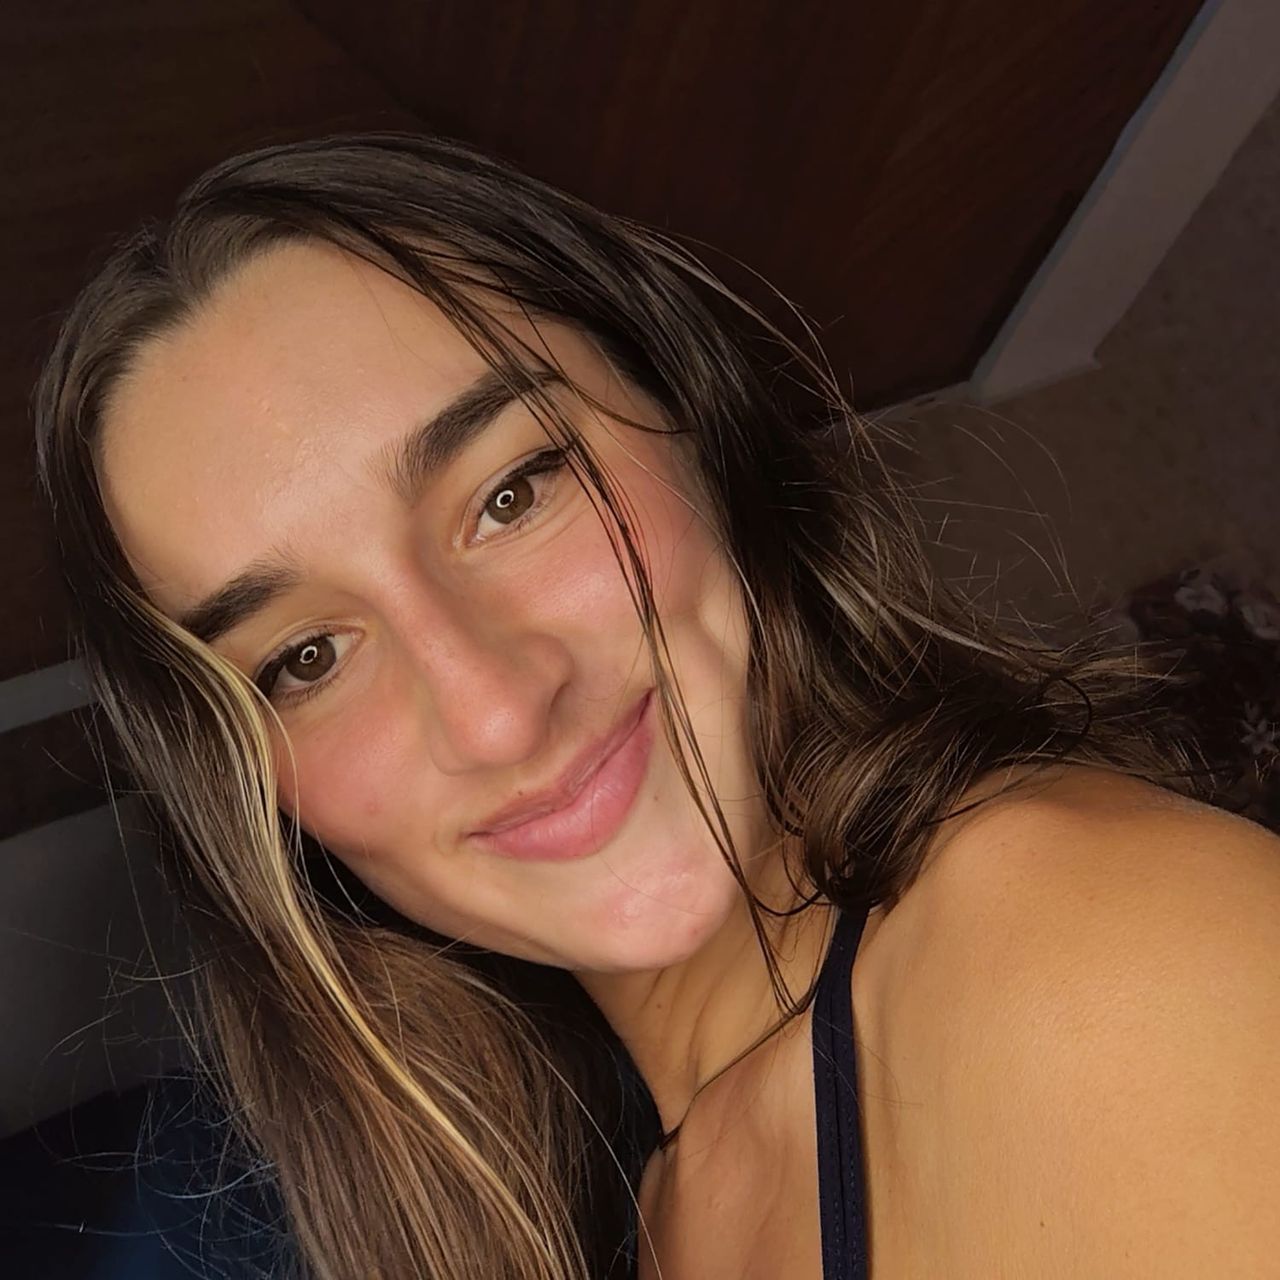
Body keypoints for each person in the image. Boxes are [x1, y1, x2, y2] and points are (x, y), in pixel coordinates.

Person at [33, 132, 1280, 1280]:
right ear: (258, 797)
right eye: (305, 657)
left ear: (694, 418)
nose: (494, 712)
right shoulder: (654, 1198)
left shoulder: (1096, 966)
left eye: (513, 492)